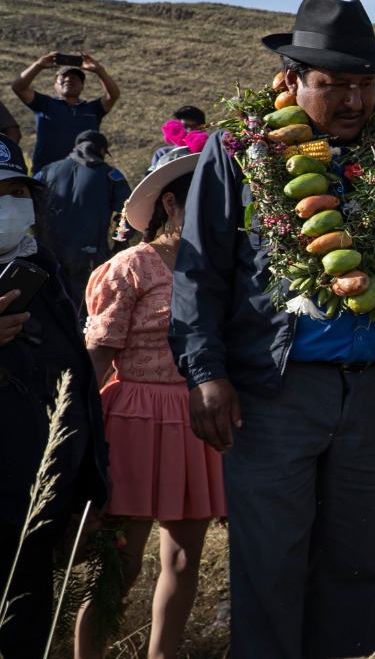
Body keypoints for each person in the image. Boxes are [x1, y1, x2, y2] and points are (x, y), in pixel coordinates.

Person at [169, 0, 375, 659]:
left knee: (353, 565)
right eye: (334, 84)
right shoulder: (241, 153)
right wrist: (205, 371)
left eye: (364, 84)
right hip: (276, 393)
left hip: (373, 392)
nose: (353, 100)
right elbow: (200, 273)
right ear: (292, 79)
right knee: (270, 567)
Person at [75, 144, 225, 659]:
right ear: (170, 204)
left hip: (194, 419)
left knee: (183, 560)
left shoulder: (217, 269)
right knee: (120, 564)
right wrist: (75, 434)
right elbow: (98, 355)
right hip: (134, 420)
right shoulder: (131, 267)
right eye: (203, 203)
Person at [0, 134, 110, 659]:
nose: (9, 206)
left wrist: (88, 482)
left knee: (25, 628)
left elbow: (77, 379)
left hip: (33, 506)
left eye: (17, 193)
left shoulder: (38, 266)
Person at [35, 129, 130, 315]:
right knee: (87, 309)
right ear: (101, 151)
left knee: (52, 307)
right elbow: (126, 211)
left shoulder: (46, 171)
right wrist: (120, 242)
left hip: (48, 253)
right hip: (90, 254)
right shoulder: (110, 174)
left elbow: (28, 201)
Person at [10, 53, 120, 174]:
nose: (68, 79)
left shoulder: (93, 109)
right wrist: (38, 65)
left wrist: (99, 70)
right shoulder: (44, 104)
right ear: (55, 86)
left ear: (82, 86)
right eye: (62, 77)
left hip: (84, 172)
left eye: (74, 78)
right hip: (47, 172)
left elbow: (113, 95)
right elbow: (18, 87)